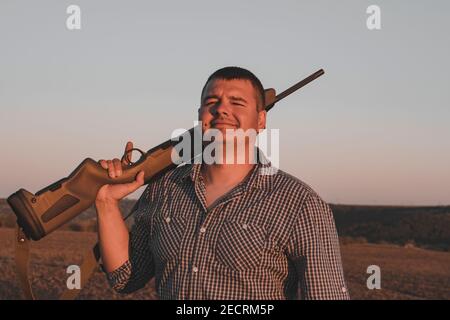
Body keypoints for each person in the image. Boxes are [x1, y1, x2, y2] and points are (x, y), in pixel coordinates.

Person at [95, 66, 350, 299]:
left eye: (237, 102)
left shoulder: (301, 204)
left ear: (261, 120)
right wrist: (106, 202)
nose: (222, 109)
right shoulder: (163, 188)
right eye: (211, 102)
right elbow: (125, 279)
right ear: (200, 115)